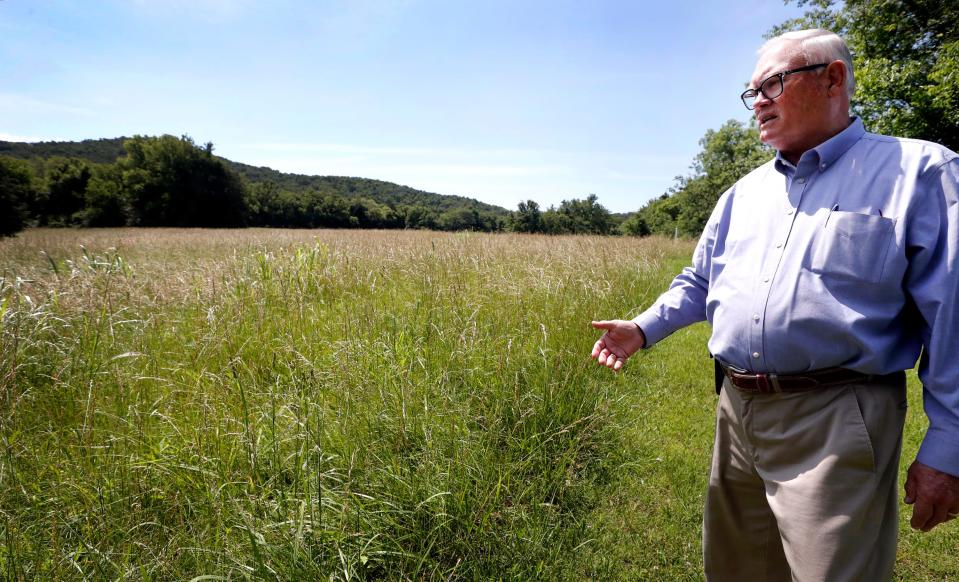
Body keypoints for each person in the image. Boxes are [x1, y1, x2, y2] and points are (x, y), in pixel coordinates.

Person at [590, 29, 959, 581]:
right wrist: (641, 329)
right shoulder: (743, 193)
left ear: (833, 79)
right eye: (751, 92)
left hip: (837, 416)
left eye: (772, 84)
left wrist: (949, 445)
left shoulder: (920, 173)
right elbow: (699, 281)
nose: (757, 101)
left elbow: (952, 316)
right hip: (736, 412)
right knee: (737, 570)